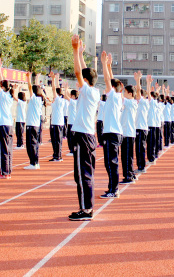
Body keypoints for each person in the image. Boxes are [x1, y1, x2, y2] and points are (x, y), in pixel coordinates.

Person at [68, 35, 100, 221]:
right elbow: (83, 72)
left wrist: (74, 50)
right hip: (85, 134)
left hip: (83, 135)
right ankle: (85, 207)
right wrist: (80, 53)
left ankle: (86, 209)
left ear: (86, 81)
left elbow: (79, 72)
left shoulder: (87, 91)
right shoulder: (92, 91)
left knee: (83, 174)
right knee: (81, 173)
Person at [99, 50, 124, 199]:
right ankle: (111, 188)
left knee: (111, 164)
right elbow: (112, 80)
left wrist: (103, 64)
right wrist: (109, 65)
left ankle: (114, 190)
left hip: (112, 133)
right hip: (112, 133)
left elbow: (109, 81)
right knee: (110, 163)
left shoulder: (114, 96)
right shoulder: (116, 97)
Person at [0, 58, 15, 179]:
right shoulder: (9, 95)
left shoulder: (3, 95)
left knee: (3, 149)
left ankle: (4, 172)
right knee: (8, 149)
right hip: (8, 125)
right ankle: (8, 171)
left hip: (2, 125)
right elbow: (1, 82)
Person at [119, 72, 140, 185]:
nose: (123, 94)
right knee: (128, 156)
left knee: (126, 156)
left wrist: (118, 89)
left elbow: (120, 98)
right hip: (128, 133)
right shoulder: (131, 102)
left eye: (125, 92)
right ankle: (131, 174)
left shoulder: (130, 102)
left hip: (128, 133)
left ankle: (128, 176)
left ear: (130, 94)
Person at [25, 71, 46, 170]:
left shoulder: (34, 99)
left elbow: (30, 87)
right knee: (35, 144)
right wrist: (37, 79)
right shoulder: (40, 99)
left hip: (32, 125)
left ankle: (33, 163)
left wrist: (28, 78)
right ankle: (35, 162)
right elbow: (37, 89)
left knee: (31, 145)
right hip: (36, 125)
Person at [49, 72, 66, 162]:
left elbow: (54, 89)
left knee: (57, 140)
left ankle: (58, 156)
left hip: (58, 123)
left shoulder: (60, 100)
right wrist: (56, 78)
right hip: (54, 122)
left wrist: (53, 79)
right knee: (54, 140)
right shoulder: (57, 100)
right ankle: (56, 155)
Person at [135, 74, 149, 174]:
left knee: (140, 149)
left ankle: (141, 166)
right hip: (139, 128)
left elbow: (139, 92)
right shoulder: (141, 103)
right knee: (138, 149)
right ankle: (140, 165)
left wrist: (138, 81)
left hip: (141, 128)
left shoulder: (143, 102)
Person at [66, 89, 78, 156]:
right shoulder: (75, 102)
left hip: (72, 122)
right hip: (71, 121)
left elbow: (66, 97)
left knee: (71, 137)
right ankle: (72, 150)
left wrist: (65, 89)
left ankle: (72, 150)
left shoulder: (74, 102)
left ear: (73, 96)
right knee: (70, 137)